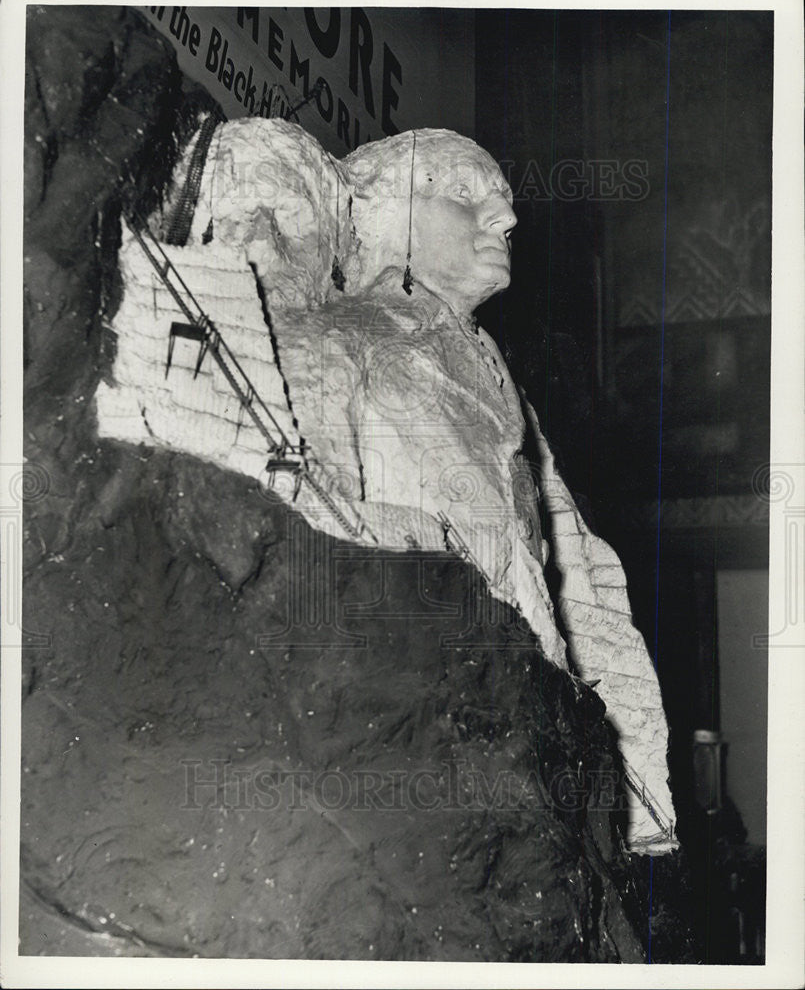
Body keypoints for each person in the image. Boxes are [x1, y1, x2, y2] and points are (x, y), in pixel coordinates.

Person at [97, 118, 676, 851]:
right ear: (375, 206)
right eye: (462, 193)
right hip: (415, 751)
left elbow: (577, 590)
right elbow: (299, 540)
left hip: (538, 759)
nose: (504, 216)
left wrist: (633, 791)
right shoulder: (334, 348)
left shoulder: (505, 395)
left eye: (499, 197)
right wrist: (442, 559)